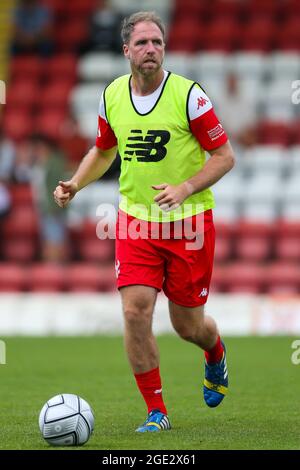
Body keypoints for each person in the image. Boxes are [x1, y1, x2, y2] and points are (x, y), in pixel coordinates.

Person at [54, 11, 234, 433]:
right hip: (136, 225)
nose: (150, 49)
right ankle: (156, 411)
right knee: (135, 312)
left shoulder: (189, 96)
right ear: (126, 51)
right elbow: (103, 149)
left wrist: (186, 187)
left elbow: (225, 156)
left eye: (156, 42)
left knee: (188, 326)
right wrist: (77, 183)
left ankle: (215, 352)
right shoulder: (112, 95)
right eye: (141, 43)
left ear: (164, 48)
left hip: (188, 225)